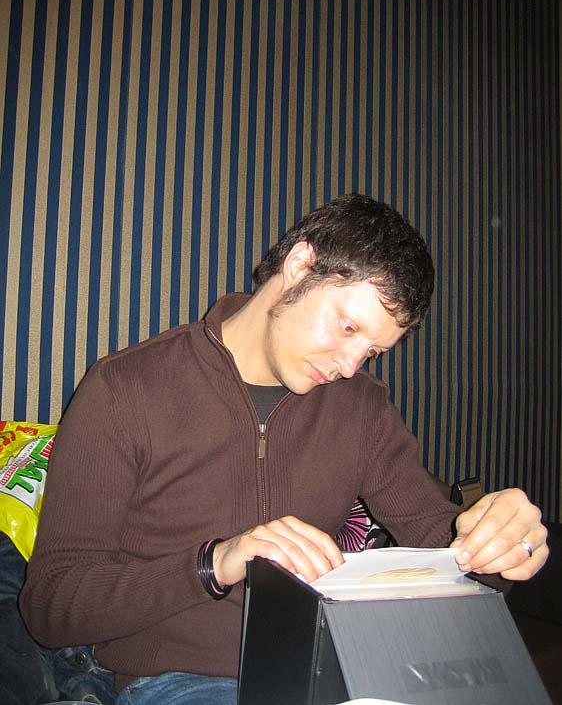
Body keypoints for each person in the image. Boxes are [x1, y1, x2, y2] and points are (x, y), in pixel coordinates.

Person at [20, 194, 548, 705]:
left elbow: (441, 538)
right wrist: (214, 563)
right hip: (178, 679)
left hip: (334, 667)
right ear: (299, 267)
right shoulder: (126, 389)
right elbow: (50, 604)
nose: (349, 367)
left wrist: (498, 542)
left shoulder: (362, 408)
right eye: (347, 327)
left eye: (371, 351)